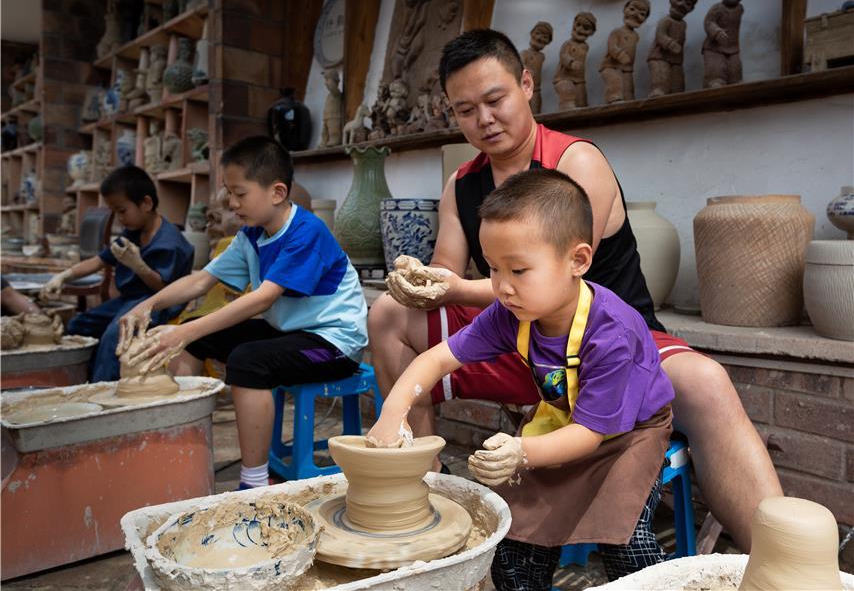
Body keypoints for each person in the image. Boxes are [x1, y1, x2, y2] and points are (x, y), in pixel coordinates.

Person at [368, 29, 782, 552]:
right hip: (521, 337)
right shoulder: (463, 183)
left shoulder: (575, 162)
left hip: (609, 341)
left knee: (706, 382)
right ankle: (415, 487)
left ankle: (778, 554)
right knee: (388, 314)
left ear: (526, 85)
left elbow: (547, 285)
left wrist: (457, 288)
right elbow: (449, 274)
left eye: (495, 100)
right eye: (466, 110)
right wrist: (423, 283)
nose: (484, 119)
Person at [370, 169, 675, 587]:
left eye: (518, 270)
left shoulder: (611, 335)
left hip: (627, 436)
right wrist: (393, 413)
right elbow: (437, 359)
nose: (502, 287)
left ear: (578, 261)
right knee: (510, 537)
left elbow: (589, 435)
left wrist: (520, 452)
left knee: (625, 544)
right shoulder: (511, 312)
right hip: (563, 421)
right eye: (493, 269)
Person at [118, 136, 368, 490]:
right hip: (291, 333)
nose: (232, 203)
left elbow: (262, 299)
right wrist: (148, 305)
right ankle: (183, 446)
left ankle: (253, 482)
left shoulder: (306, 231)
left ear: (277, 193)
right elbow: (201, 281)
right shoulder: (251, 236)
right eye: (229, 193)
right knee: (197, 335)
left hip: (334, 345)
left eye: (240, 193)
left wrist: (181, 333)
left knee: (247, 360)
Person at [41, 166, 194, 382]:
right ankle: (83, 379)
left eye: (122, 211)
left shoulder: (170, 242)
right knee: (78, 325)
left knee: (114, 336)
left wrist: (139, 266)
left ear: (146, 203)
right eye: (114, 212)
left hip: (158, 304)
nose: (119, 218)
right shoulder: (132, 233)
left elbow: (166, 289)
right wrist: (63, 276)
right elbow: (99, 261)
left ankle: (102, 388)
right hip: (129, 300)